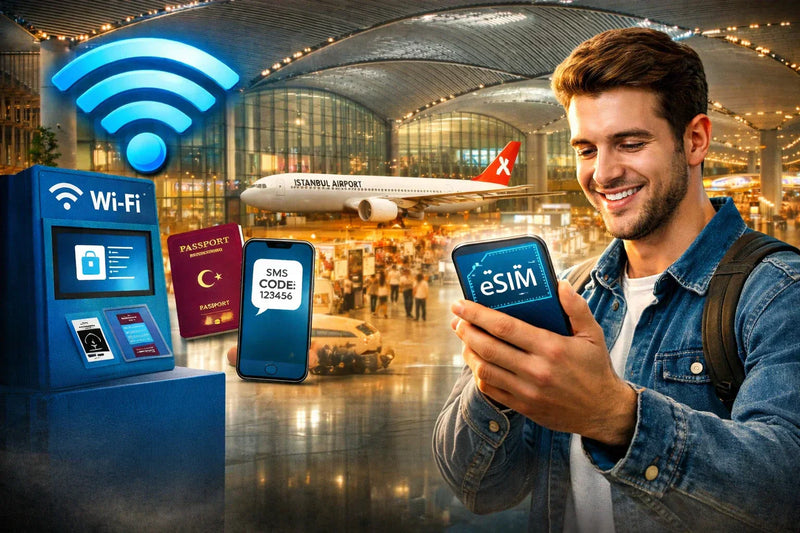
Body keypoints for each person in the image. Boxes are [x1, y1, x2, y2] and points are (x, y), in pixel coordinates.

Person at [433, 27, 800, 531]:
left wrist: (614, 416)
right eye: (586, 149)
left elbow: (785, 489)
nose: (602, 174)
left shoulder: (777, 293)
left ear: (694, 140)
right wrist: (494, 385)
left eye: (629, 143)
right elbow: (480, 489)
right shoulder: (569, 292)